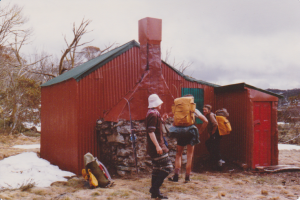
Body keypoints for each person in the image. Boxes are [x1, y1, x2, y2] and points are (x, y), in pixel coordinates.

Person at [169, 95, 208, 183]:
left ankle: (176, 176)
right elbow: (206, 121)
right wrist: (200, 131)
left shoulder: (179, 110)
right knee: (189, 155)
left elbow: (174, 124)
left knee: (178, 154)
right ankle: (187, 177)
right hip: (191, 131)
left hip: (180, 131)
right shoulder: (193, 109)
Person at [146, 94, 173, 199]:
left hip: (155, 146)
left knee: (157, 168)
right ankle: (154, 188)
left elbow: (156, 128)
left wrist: (162, 120)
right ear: (157, 104)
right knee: (168, 167)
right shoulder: (153, 114)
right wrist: (158, 146)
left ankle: (155, 194)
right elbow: (151, 132)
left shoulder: (152, 113)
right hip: (156, 146)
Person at [203, 104, 224, 169]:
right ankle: (216, 161)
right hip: (214, 134)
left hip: (216, 134)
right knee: (213, 146)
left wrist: (213, 132)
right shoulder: (208, 115)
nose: (204, 111)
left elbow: (215, 124)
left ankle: (219, 163)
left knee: (215, 147)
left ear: (209, 110)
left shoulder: (210, 115)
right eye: (203, 110)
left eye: (205, 110)